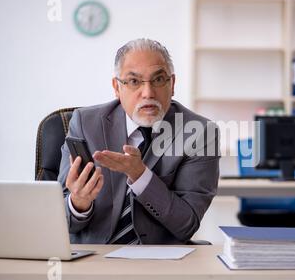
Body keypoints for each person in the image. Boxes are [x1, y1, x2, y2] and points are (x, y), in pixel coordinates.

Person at [57, 38, 220, 245]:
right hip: (94, 257)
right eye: (134, 81)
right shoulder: (85, 124)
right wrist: (78, 203)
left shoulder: (200, 132)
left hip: (159, 261)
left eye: (159, 79)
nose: (148, 93)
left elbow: (186, 225)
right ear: (117, 87)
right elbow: (60, 221)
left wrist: (140, 175)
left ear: (172, 84)